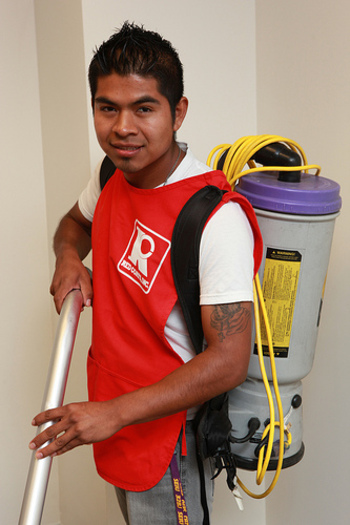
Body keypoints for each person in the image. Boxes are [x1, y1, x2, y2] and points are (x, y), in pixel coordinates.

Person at [29, 22, 262, 525]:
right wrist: (69, 257)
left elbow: (228, 361)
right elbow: (74, 224)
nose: (122, 127)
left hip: (167, 433)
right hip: (115, 415)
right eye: (107, 107)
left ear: (177, 112)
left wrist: (113, 413)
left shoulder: (215, 219)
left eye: (144, 108)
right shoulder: (113, 173)